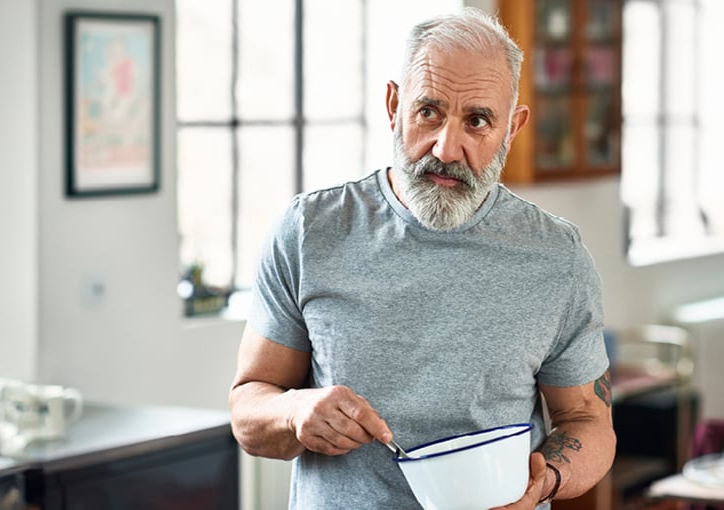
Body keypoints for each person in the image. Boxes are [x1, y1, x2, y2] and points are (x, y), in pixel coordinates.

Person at [229, 7, 616, 509]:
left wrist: (545, 482)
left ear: (512, 128)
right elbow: (248, 409)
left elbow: (588, 420)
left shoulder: (556, 256)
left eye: (477, 121)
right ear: (394, 105)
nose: (447, 147)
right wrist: (295, 412)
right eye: (428, 112)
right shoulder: (309, 232)